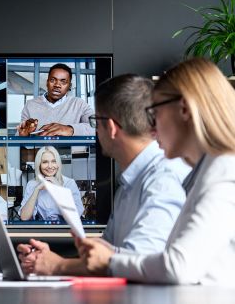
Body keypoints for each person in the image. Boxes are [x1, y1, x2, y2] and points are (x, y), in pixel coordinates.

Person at [77, 58, 235, 286]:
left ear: (183, 109)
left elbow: (178, 267)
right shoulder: (206, 171)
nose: (151, 126)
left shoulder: (224, 173)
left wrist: (110, 261)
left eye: (155, 111)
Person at [17, 74, 189, 276]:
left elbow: (141, 263)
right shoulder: (130, 182)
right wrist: (48, 260)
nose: (95, 130)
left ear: (111, 128)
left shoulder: (162, 179)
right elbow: (109, 255)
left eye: (95, 122)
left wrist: (57, 266)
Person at [16, 63, 94, 136]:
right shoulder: (30, 105)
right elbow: (19, 134)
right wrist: (23, 135)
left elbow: (98, 127)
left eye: (63, 82)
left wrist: (70, 129)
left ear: (69, 86)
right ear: (47, 83)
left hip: (71, 151)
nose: (57, 85)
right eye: (52, 80)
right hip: (39, 150)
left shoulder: (79, 104)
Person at [19, 146, 85, 222]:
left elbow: (75, 215)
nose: (50, 166)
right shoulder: (32, 184)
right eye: (45, 162)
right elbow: (24, 217)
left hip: (66, 228)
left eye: (54, 161)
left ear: (58, 163)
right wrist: (36, 190)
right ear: (39, 165)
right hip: (43, 229)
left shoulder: (69, 183)